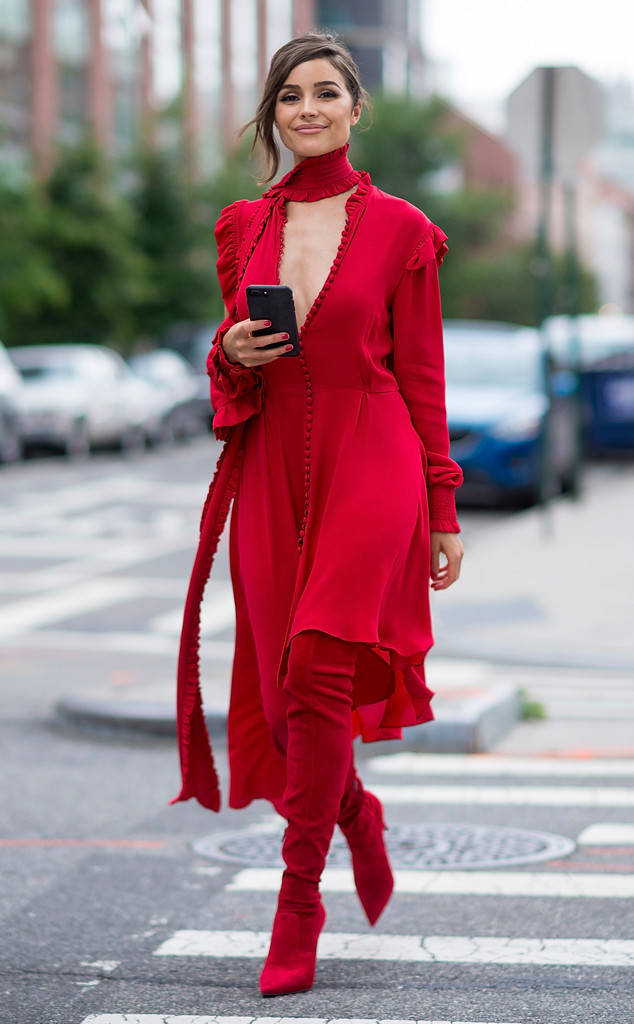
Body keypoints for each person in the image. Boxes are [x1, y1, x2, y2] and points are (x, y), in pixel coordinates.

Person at [171, 31, 464, 997]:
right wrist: (230, 355)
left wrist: (443, 506)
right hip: (270, 474)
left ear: (354, 107)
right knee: (291, 692)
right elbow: (231, 367)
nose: (308, 109)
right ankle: (357, 816)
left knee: (321, 660)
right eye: (290, 95)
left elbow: (422, 376)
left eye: (325, 92)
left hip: (372, 458)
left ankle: (297, 908)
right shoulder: (241, 227)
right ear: (273, 114)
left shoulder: (403, 230)